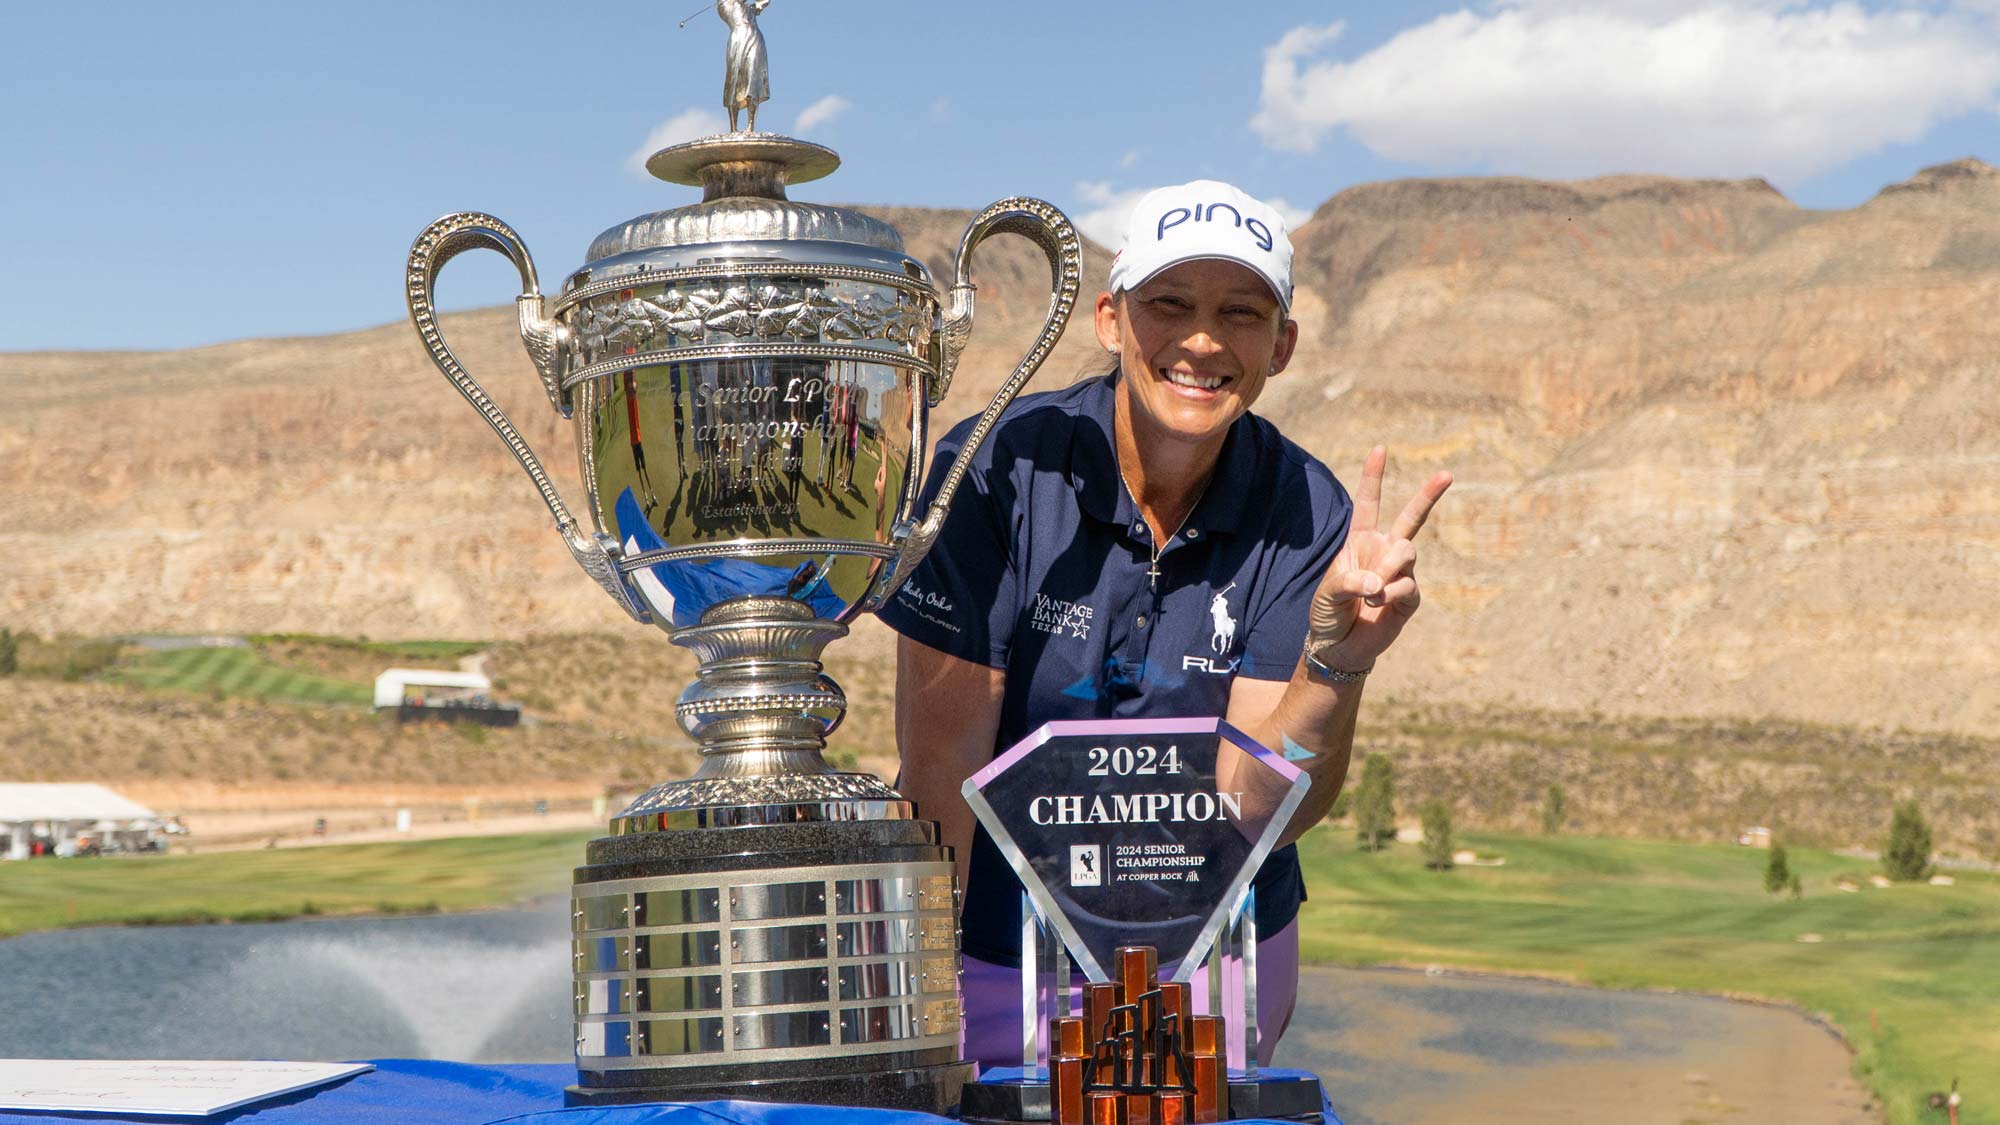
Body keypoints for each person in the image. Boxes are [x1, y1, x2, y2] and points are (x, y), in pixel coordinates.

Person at [879, 180, 1453, 1068]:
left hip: (1215, 963)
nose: (1202, 341)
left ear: (1283, 343)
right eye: (1169, 305)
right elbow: (941, 766)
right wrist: (920, 995)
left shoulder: (1308, 508)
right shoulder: (995, 470)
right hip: (995, 955)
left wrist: (1336, 664)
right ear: (1111, 319)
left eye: (1242, 312)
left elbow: (1258, 809)